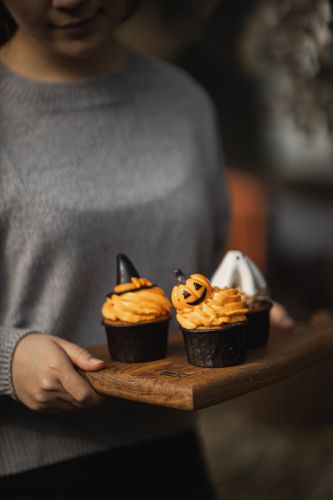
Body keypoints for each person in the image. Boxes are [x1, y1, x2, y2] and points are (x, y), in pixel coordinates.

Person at [0, 1, 293, 498]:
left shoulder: (184, 101)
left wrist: (245, 312)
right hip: (28, 469)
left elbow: (206, 271)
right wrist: (9, 358)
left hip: (172, 455)